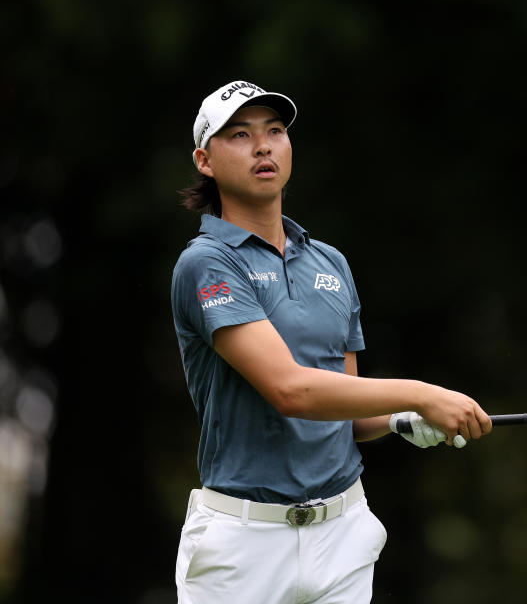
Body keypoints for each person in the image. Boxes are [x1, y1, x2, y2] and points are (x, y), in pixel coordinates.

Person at [170, 80, 492, 604]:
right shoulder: (206, 262)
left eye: (275, 131)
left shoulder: (330, 263)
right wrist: (421, 394)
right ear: (205, 161)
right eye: (240, 135)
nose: (263, 146)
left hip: (342, 533)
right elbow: (291, 390)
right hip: (244, 545)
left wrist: (398, 420)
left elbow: (345, 406)